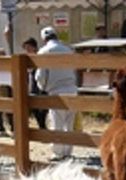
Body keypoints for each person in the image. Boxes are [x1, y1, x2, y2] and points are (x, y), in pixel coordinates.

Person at [35, 26, 78, 161]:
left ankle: (58, 153)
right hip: (72, 89)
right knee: (69, 123)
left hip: (56, 91)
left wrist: (43, 87)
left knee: (57, 123)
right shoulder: (68, 50)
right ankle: (68, 152)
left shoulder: (43, 52)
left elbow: (40, 76)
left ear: (44, 39)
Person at [22, 37, 47, 130]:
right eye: (25, 48)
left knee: (43, 110)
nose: (27, 50)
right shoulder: (26, 59)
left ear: (34, 47)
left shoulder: (39, 57)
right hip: (32, 86)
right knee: (35, 109)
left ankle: (43, 127)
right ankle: (42, 127)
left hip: (42, 86)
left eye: (29, 47)